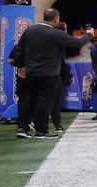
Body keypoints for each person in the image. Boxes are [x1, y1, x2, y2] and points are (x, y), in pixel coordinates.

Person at [9, 8, 88, 138]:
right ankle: (41, 131)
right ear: (56, 19)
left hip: (31, 73)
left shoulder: (29, 30)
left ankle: (23, 128)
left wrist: (21, 66)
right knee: (44, 102)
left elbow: (19, 51)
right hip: (48, 74)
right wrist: (89, 35)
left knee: (30, 101)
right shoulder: (56, 33)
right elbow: (77, 43)